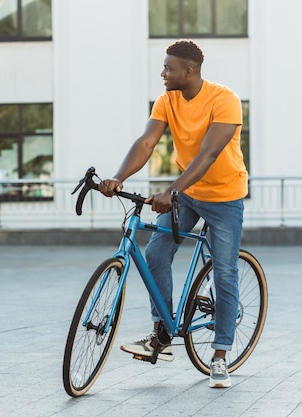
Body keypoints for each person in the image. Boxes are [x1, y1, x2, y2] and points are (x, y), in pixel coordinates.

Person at [98, 39, 247, 389]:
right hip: (188, 194)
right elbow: (147, 142)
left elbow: (209, 154)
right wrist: (119, 177)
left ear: (189, 70)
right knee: (156, 251)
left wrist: (172, 190)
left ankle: (221, 354)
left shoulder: (225, 100)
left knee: (225, 271)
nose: (162, 73)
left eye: (168, 68)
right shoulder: (167, 100)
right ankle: (162, 334)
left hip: (225, 198)